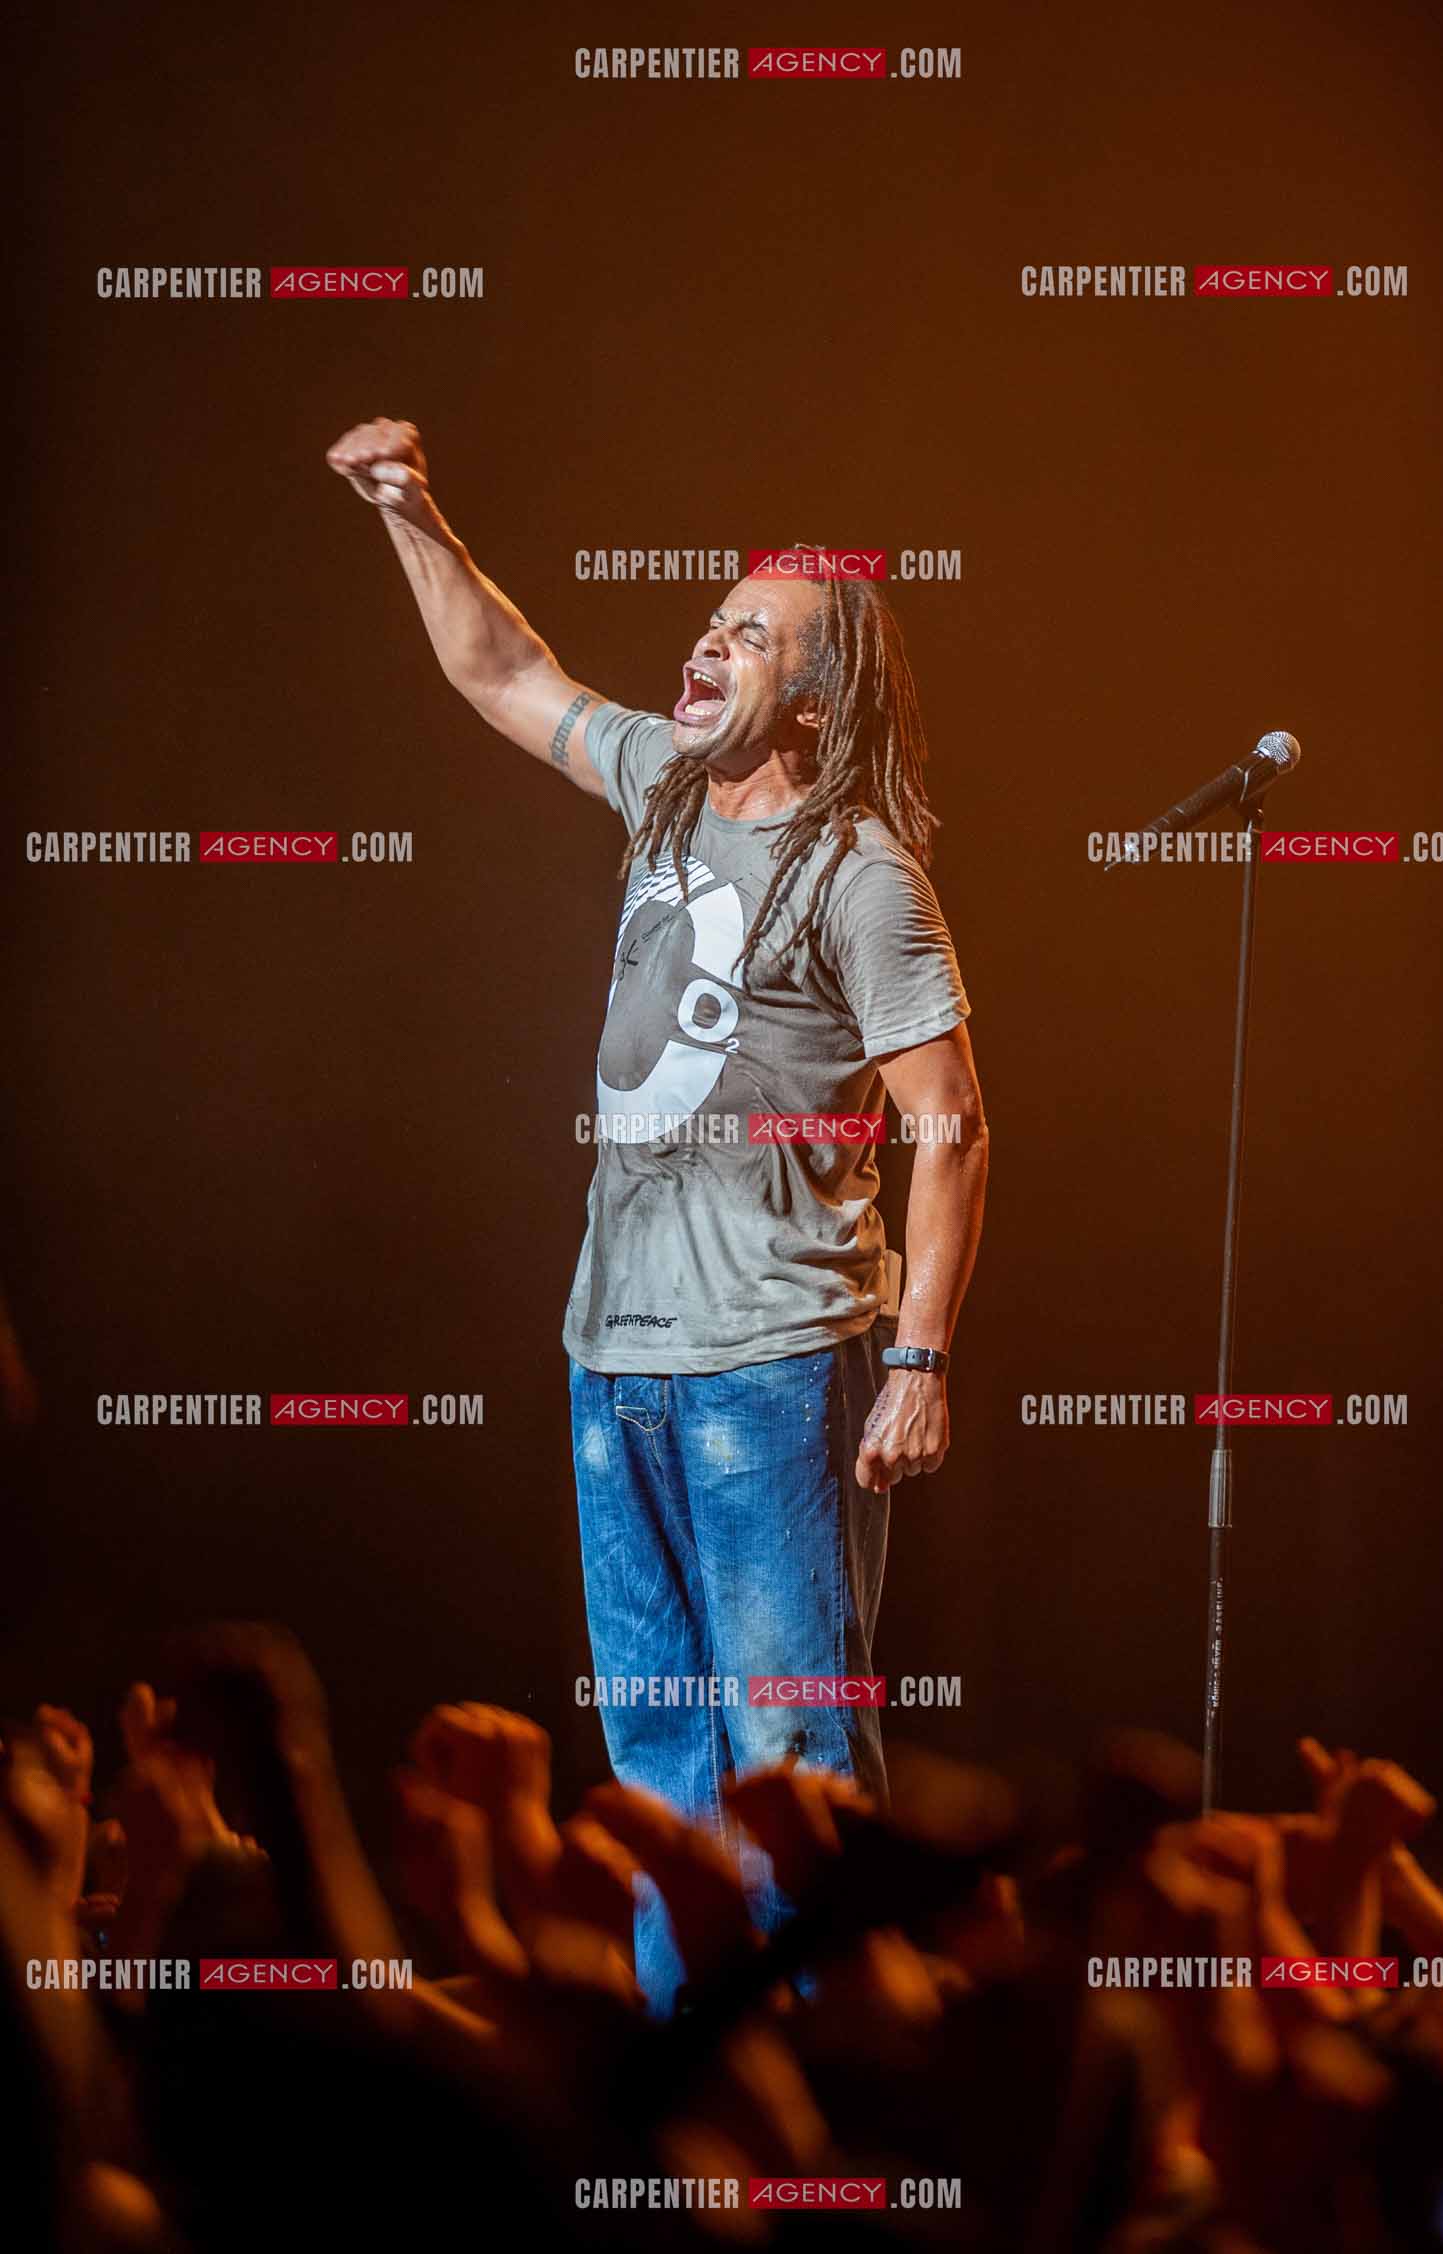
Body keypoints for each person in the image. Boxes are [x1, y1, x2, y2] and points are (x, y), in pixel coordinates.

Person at [326, 420, 989, 2012]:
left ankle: (833, 2100)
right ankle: (676, 2112)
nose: (711, 637)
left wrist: (918, 1360)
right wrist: (413, 513)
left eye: (755, 631)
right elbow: (508, 674)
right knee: (658, 1754)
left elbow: (951, 1128)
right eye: (714, 615)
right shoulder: (664, 785)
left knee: (789, 1755)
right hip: (612, 1352)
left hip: (776, 1357)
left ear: (817, 697)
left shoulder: (863, 873)